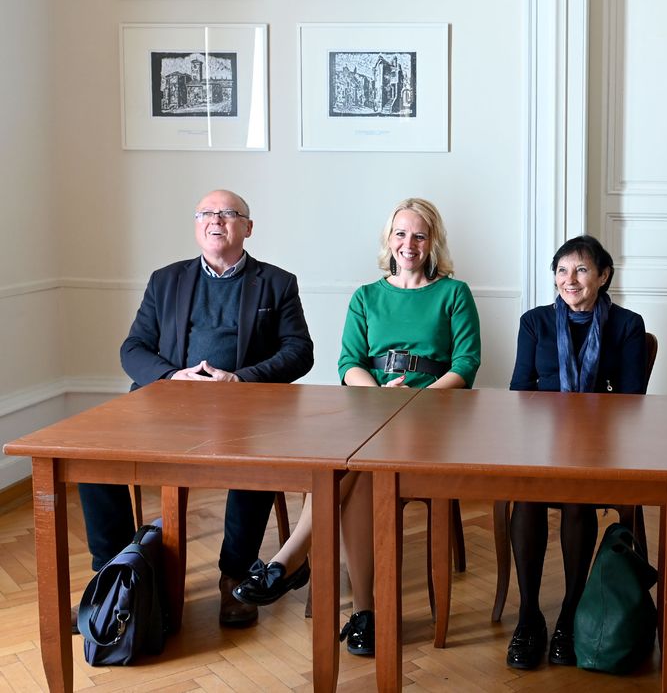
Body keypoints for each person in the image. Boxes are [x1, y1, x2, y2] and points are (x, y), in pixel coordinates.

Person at [232, 198, 481, 656]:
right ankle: (366, 613)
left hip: (431, 410)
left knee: (352, 464)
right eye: (401, 234)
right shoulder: (366, 296)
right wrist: (379, 395)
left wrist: (417, 396)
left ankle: (290, 561)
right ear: (389, 240)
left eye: (420, 235)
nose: (409, 244)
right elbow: (349, 362)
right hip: (371, 406)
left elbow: (466, 363)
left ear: (433, 244)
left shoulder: (453, 293)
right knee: (357, 469)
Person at [77, 189, 315, 629]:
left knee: (258, 460)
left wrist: (240, 378)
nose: (216, 220)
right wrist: (172, 377)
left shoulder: (277, 282)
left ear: (248, 227)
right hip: (166, 406)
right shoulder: (166, 280)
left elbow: (300, 351)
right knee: (93, 459)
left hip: (243, 408)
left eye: (228, 213)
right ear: (196, 225)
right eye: (206, 213)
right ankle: (112, 580)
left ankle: (235, 576)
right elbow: (134, 348)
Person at [505, 235, 648, 670]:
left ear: (604, 276)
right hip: (541, 441)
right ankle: (529, 615)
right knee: (527, 495)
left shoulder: (627, 325)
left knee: (575, 496)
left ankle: (570, 612)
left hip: (601, 445)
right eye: (562, 270)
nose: (571, 279)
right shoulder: (535, 322)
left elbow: (630, 400)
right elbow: (519, 392)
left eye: (582, 270)